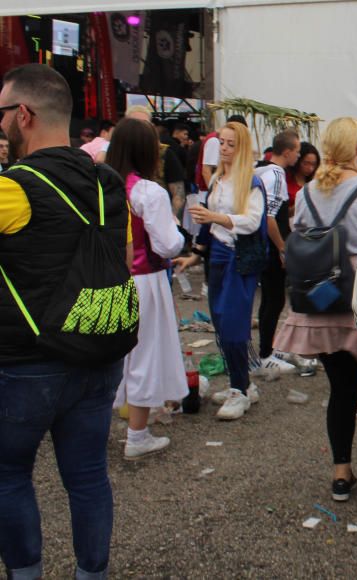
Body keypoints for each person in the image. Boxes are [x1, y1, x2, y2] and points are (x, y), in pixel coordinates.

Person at [0, 63, 131, 580]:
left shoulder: (15, 188)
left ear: (23, 115)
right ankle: (91, 574)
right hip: (98, 350)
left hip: (26, 362)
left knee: (9, 474)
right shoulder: (108, 182)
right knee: (88, 476)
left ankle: (26, 574)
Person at [273, 117, 357, 501]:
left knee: (342, 389)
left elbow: (303, 235)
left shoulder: (307, 192)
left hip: (323, 299)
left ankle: (341, 474)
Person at [174, 121, 266, 421]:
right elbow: (206, 226)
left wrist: (216, 216)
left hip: (240, 260)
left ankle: (240, 389)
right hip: (217, 256)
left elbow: (252, 222)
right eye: (221, 143)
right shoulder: (217, 179)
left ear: (241, 148)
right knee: (220, 321)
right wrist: (194, 257)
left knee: (234, 324)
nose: (224, 148)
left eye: (230, 144)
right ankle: (242, 384)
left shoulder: (251, 181)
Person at [106, 118, 186, 460]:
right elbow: (168, 245)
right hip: (144, 279)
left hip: (105, 278)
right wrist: (178, 230)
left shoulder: (101, 184)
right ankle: (136, 435)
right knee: (144, 353)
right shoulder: (148, 191)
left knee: (109, 354)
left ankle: (98, 430)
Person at [253, 130, 301, 372]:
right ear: (287, 151)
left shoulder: (259, 168)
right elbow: (270, 216)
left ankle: (266, 350)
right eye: (297, 151)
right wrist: (282, 248)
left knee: (269, 300)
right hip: (272, 247)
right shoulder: (277, 173)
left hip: (263, 245)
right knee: (274, 300)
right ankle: (266, 354)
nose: (299, 155)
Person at [286, 141, 319, 213]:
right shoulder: (286, 180)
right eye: (306, 163)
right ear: (297, 160)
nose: (310, 168)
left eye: (314, 164)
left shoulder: (316, 183)